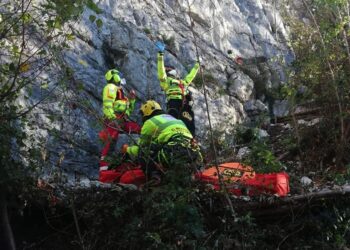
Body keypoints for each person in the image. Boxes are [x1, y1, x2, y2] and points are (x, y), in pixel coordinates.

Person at [121, 100, 202, 184]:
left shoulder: (150, 122)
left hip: (173, 152)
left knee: (145, 151)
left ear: (147, 111)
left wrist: (127, 149)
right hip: (194, 154)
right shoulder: (176, 120)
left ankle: (154, 178)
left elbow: (141, 147)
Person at [99, 69, 141, 179]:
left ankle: (136, 160)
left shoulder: (120, 91)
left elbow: (128, 110)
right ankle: (104, 169)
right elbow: (107, 105)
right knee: (111, 140)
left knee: (139, 129)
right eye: (118, 74)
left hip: (123, 120)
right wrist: (112, 118)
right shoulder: (110, 88)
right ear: (114, 77)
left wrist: (131, 100)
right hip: (114, 118)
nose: (120, 76)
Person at [155, 41, 200, 136]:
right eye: (166, 70)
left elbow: (190, 77)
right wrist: (160, 55)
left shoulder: (181, 82)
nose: (166, 71)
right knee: (175, 123)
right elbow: (161, 71)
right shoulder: (166, 81)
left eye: (168, 70)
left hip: (184, 104)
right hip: (174, 103)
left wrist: (197, 66)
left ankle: (191, 140)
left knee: (188, 124)